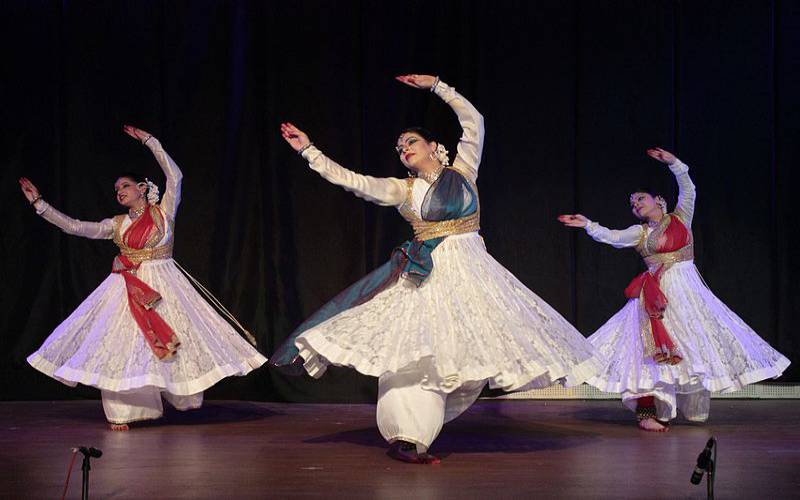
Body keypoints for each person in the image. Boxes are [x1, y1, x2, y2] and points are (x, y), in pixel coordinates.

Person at [273, 75, 599, 463]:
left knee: (467, 353)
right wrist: (309, 150)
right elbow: (353, 181)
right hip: (427, 275)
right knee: (414, 353)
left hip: (473, 274)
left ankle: (420, 428)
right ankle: (408, 437)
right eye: (399, 147)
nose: (404, 149)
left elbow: (474, 121)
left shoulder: (463, 172)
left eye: (411, 142)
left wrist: (438, 87)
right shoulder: (404, 190)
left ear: (433, 146)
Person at [20, 125, 266, 430]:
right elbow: (75, 227)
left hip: (165, 284)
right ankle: (126, 412)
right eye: (116, 190)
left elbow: (175, 177)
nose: (119, 192)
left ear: (142, 188)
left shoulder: (164, 212)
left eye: (125, 185)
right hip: (128, 286)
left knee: (177, 337)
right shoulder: (117, 224)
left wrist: (150, 141)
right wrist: (39, 205)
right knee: (126, 345)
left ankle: (181, 396)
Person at [559, 147, 790, 431]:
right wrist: (588, 225)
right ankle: (647, 412)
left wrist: (675, 164)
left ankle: (681, 406)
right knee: (646, 351)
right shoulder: (640, 233)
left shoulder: (681, 218)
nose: (635, 204)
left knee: (692, 345)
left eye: (640, 198)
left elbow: (688, 189)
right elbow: (613, 236)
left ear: (659, 200)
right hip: (656, 298)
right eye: (632, 203)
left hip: (688, 296)